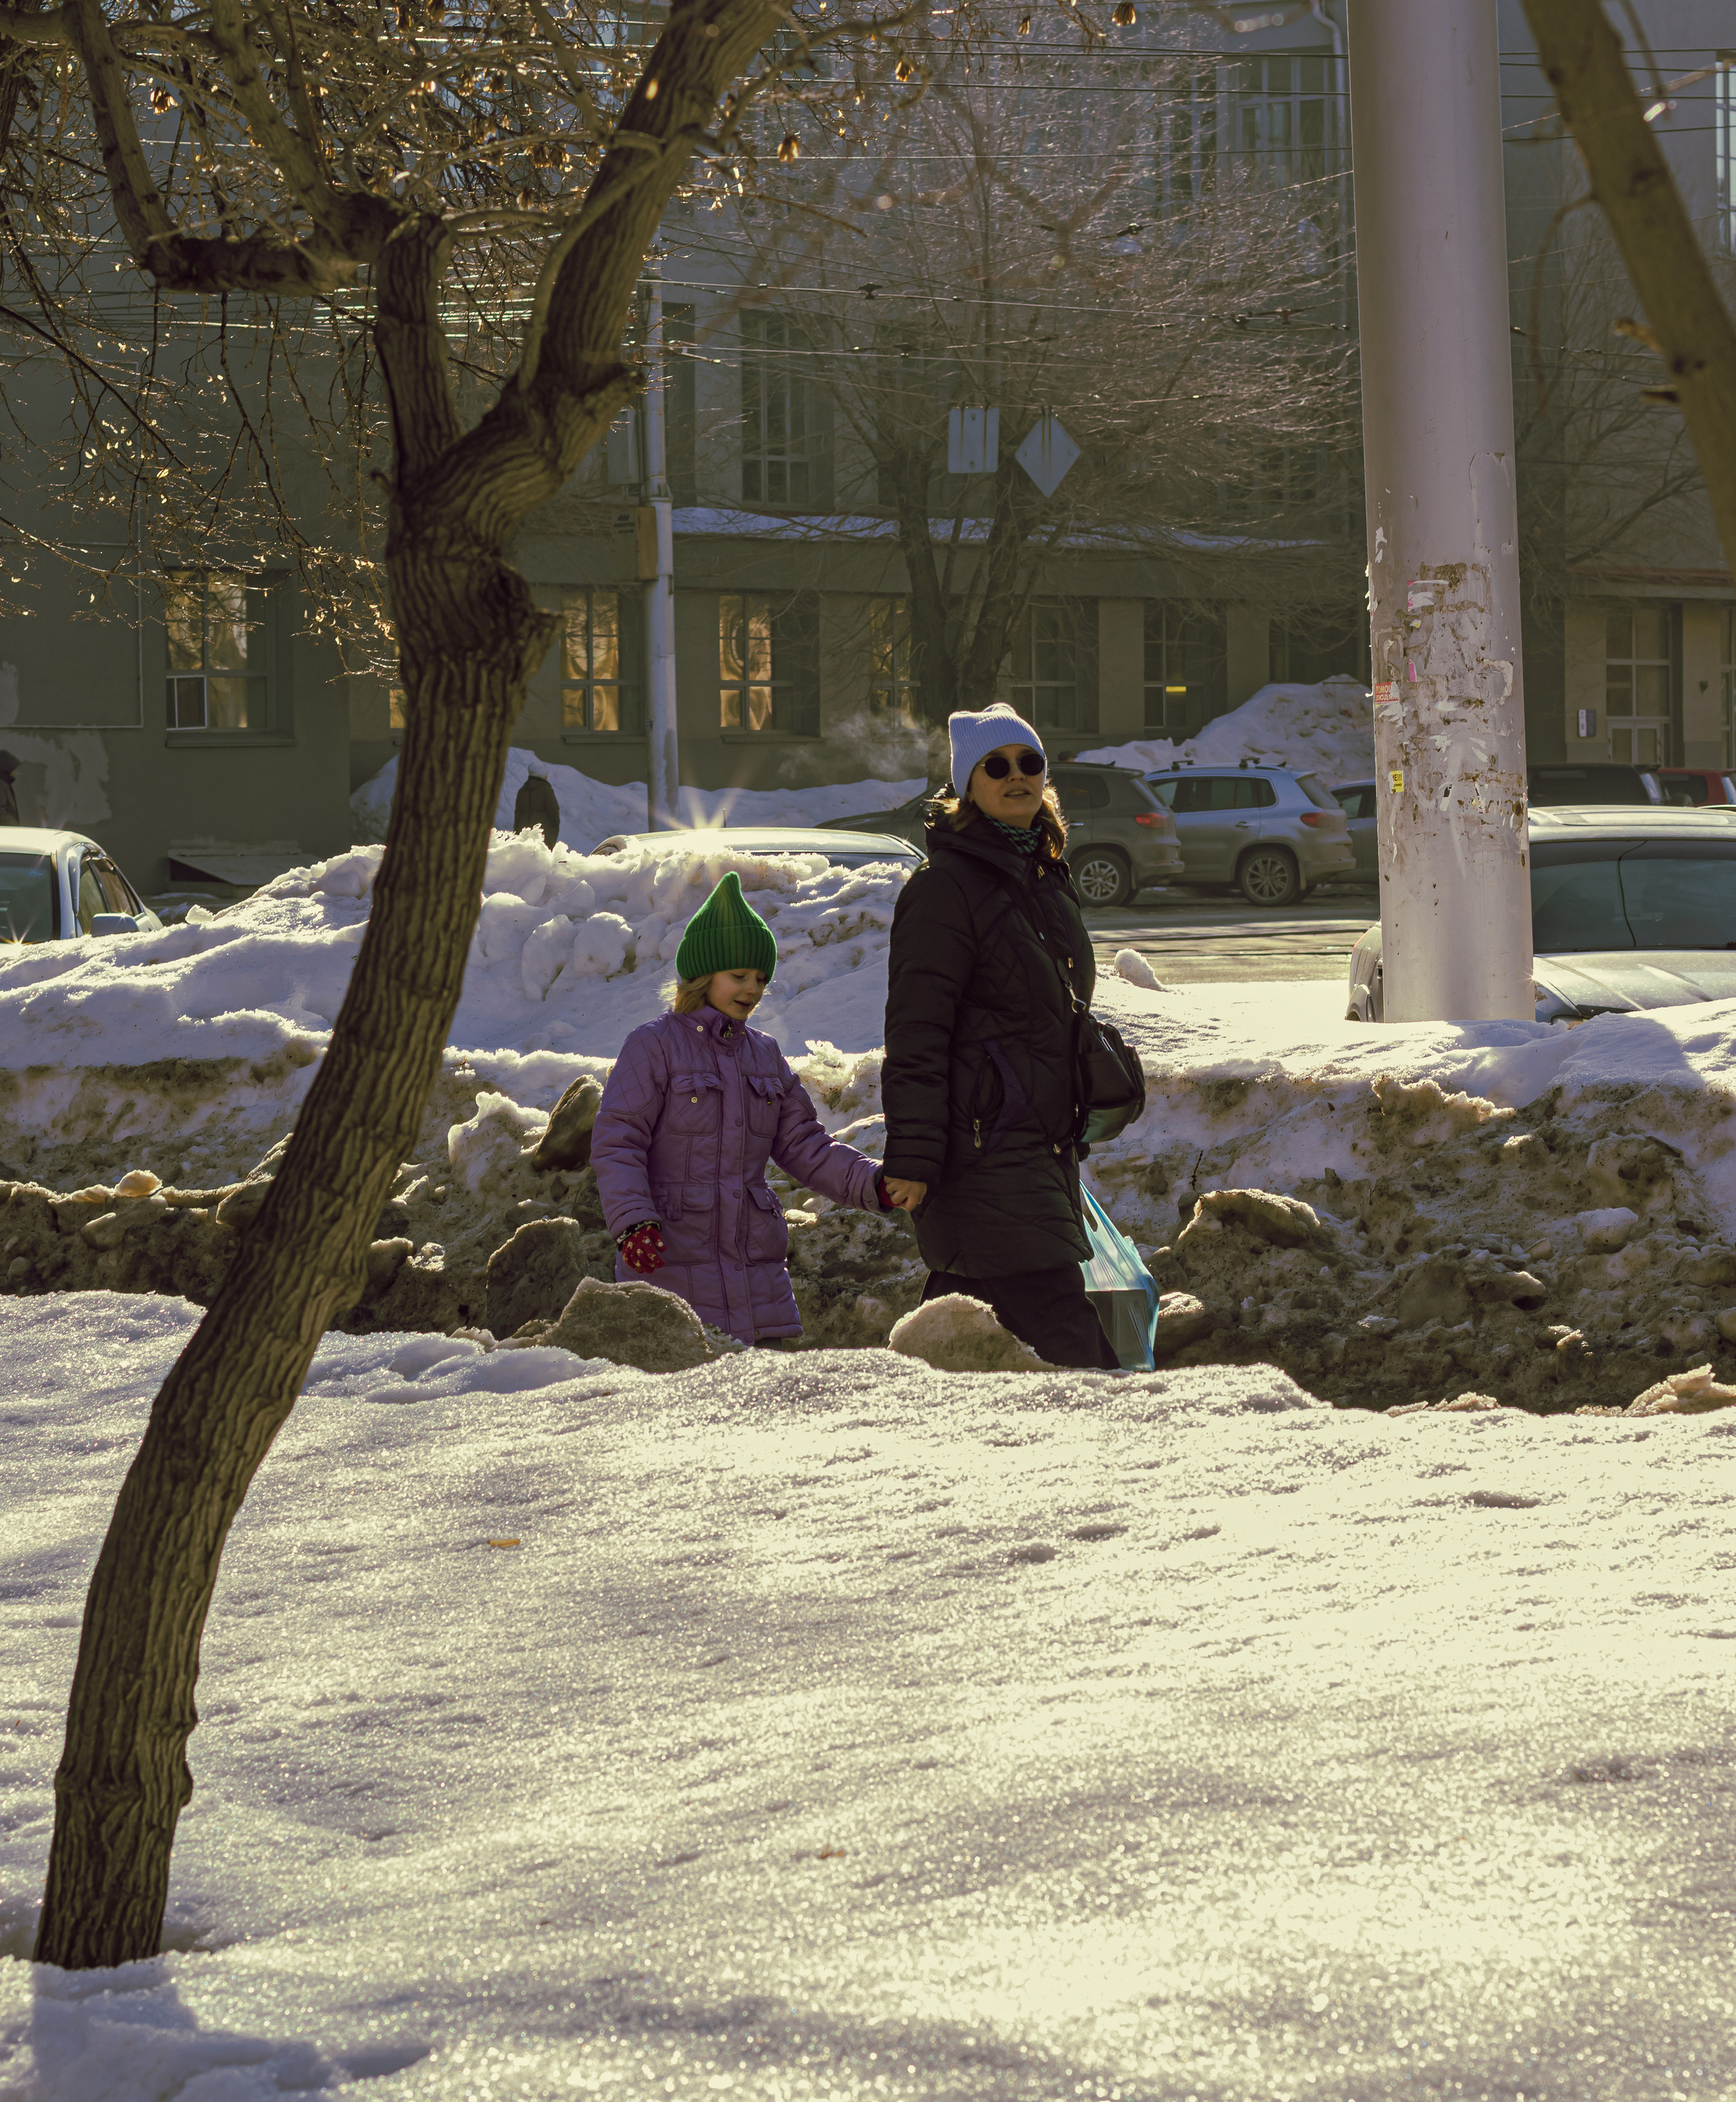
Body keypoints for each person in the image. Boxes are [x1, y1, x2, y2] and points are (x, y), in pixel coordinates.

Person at [878, 700, 1119, 1370]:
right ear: (965, 787)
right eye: (996, 766)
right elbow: (916, 1030)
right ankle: (1126, 1446)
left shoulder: (1042, 877)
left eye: (1028, 762)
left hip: (1037, 1144)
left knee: (967, 1320)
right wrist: (915, 1155)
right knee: (1061, 1326)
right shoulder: (944, 888)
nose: (1016, 776)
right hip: (982, 1147)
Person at [591, 870, 893, 1346]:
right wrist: (633, 1222)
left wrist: (874, 1183)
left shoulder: (764, 1054)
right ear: (703, 974)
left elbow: (804, 1145)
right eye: (739, 976)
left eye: (760, 978)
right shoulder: (652, 1047)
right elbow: (618, 1143)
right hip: (670, 1270)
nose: (752, 989)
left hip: (757, 1285)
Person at [513, 766, 561, 850]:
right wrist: (554, 826)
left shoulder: (523, 790)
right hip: (542, 830)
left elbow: (518, 813)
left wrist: (517, 831)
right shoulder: (546, 790)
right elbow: (553, 810)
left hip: (523, 829)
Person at [0, 753, 20, 827]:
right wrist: (14, 825)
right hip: (7, 833)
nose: (14, 772)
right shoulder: (1, 785)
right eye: (12, 769)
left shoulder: (4, 784)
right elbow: (1, 812)